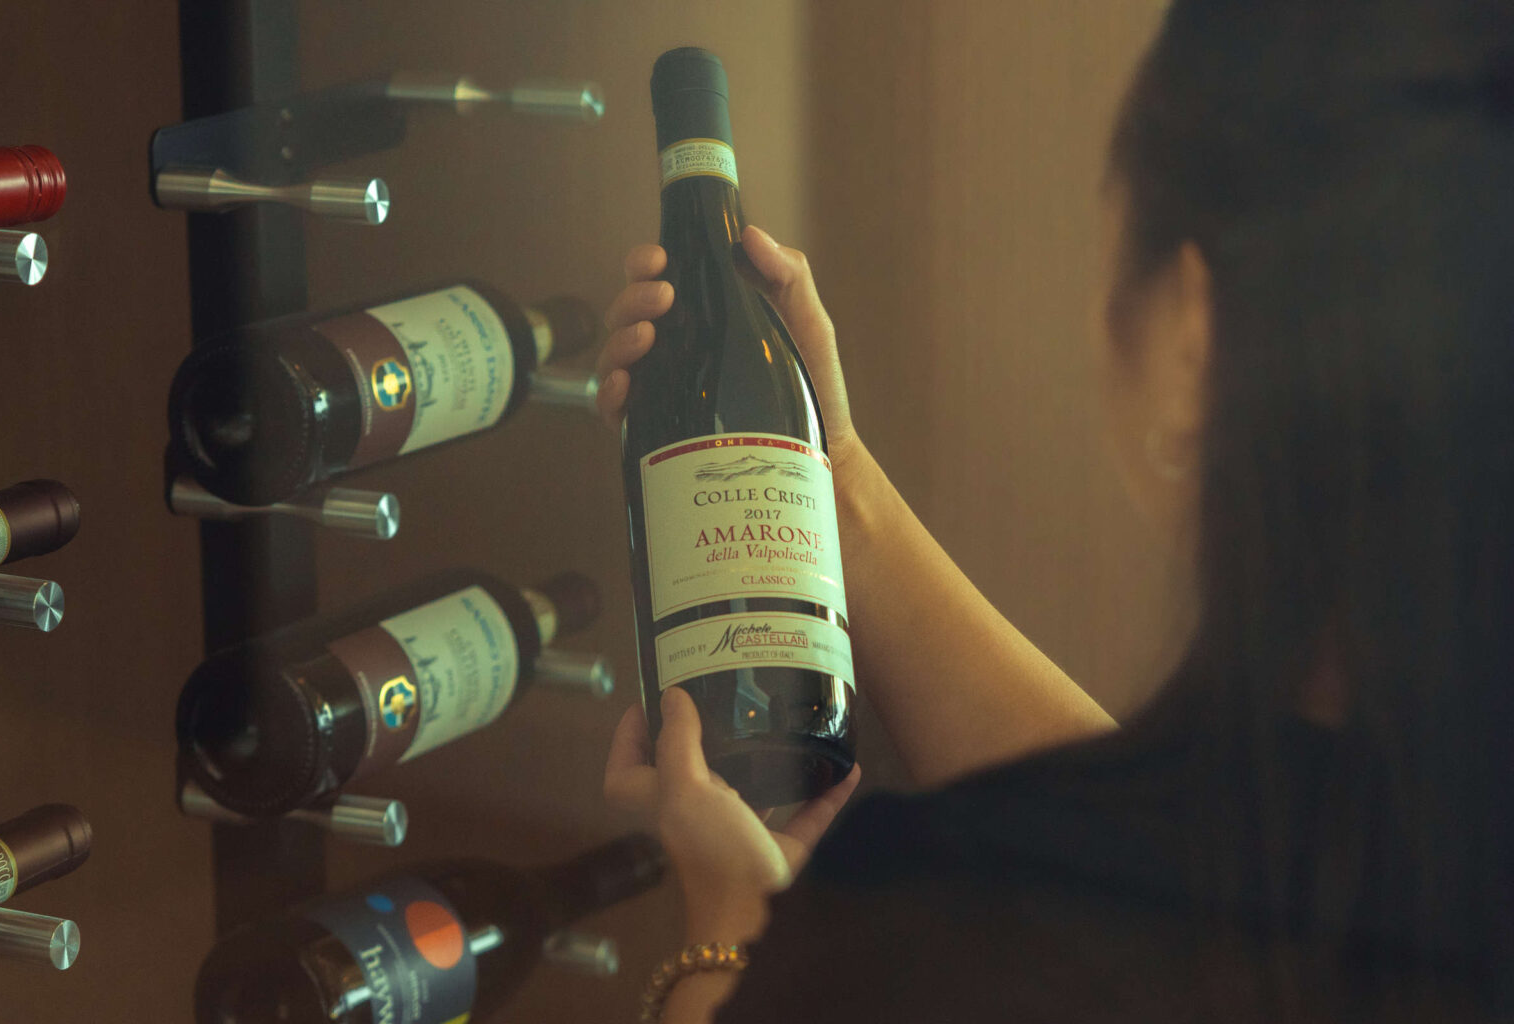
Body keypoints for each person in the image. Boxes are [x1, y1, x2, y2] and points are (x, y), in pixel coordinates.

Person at [601, 0, 1514, 1020]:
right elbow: (1169, 848)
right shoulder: (1412, 831)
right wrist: (830, 467)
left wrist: (727, 930)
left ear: (1196, 336)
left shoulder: (926, 936)